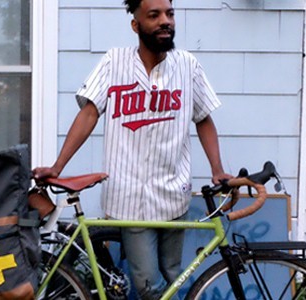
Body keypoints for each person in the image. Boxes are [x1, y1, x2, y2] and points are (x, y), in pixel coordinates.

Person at [32, 0, 232, 298]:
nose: (165, 21)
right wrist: (58, 166)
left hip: (173, 191)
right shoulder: (114, 62)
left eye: (170, 14)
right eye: (154, 15)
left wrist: (217, 170)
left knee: (172, 275)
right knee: (149, 286)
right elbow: (89, 113)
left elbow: (203, 118)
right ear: (136, 25)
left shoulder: (187, 65)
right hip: (130, 197)